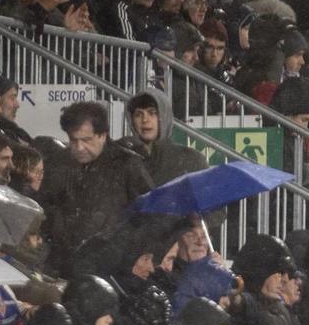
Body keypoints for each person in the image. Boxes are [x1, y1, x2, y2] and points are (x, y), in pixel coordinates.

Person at [40, 101, 153, 275]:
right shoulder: (59, 164)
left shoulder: (126, 164)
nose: (79, 148)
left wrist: (137, 255)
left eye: (86, 140)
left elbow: (150, 215)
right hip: (64, 266)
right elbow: (46, 209)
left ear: (103, 135)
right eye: (73, 140)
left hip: (113, 268)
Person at [120, 87, 207, 185]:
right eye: (138, 114)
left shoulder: (192, 161)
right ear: (132, 121)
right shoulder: (122, 161)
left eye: (152, 113)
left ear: (164, 116)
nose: (145, 120)